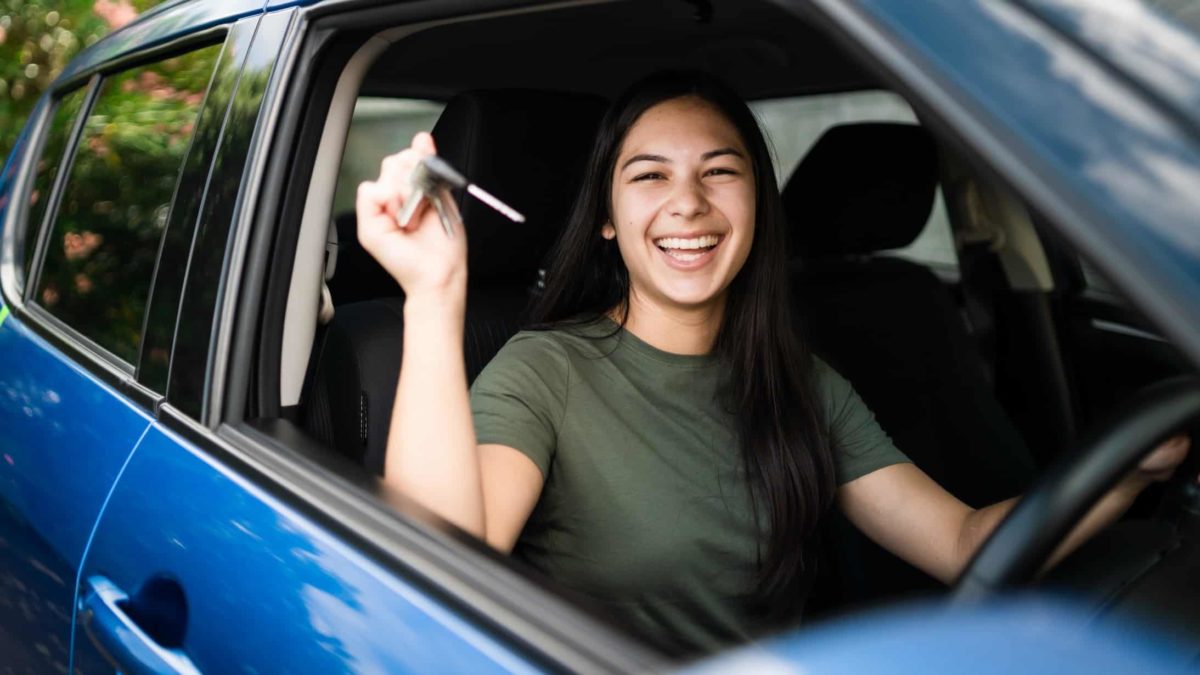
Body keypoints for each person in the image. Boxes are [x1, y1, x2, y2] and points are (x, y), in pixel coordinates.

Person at [355, 71, 1193, 656]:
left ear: (759, 206)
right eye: (649, 176)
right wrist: (434, 296)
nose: (689, 202)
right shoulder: (546, 370)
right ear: (606, 218)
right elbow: (439, 561)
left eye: (721, 172)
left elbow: (962, 543)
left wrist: (1127, 472)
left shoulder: (800, 382)